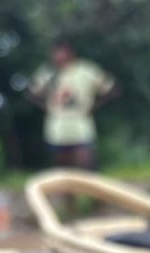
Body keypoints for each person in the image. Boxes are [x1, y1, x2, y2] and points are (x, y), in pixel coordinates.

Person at [28, 40, 119, 169]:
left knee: (86, 162)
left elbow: (112, 89)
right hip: (57, 127)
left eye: (60, 52)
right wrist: (45, 106)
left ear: (70, 53)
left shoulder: (86, 70)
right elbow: (31, 92)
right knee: (63, 168)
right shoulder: (48, 73)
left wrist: (94, 106)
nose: (57, 56)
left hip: (81, 124)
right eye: (55, 53)